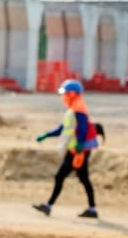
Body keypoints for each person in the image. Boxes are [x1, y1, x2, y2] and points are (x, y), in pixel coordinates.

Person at [32, 79, 100, 219]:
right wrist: (46, 135)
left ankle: (48, 206)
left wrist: (79, 145)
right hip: (76, 149)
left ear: (73, 94)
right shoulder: (73, 108)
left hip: (77, 150)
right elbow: (62, 129)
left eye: (66, 93)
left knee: (60, 176)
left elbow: (82, 128)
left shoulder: (78, 108)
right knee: (83, 178)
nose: (64, 97)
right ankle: (92, 209)